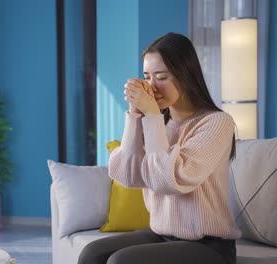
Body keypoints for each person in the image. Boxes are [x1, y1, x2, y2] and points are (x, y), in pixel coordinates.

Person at [78, 32, 241, 264]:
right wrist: (135, 116)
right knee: (92, 254)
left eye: (161, 77)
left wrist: (152, 115)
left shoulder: (216, 123)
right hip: (161, 234)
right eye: (147, 77)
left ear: (186, 76)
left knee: (122, 261)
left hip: (209, 246)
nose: (152, 87)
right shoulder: (156, 122)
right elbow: (126, 176)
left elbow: (169, 182)